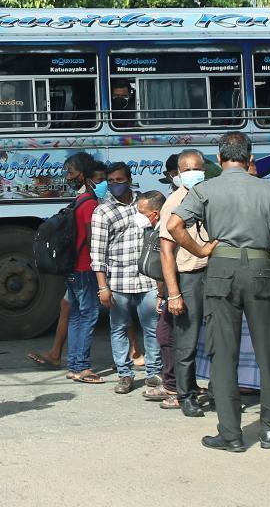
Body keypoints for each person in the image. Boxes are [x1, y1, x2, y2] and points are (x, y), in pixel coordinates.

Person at [168, 132, 270, 452]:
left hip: (221, 271)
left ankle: (231, 435)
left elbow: (172, 226)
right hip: (261, 269)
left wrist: (200, 249)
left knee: (223, 353)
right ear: (249, 157)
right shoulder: (269, 189)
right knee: (269, 351)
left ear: (220, 158)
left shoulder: (204, 189)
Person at [27, 162, 108, 370]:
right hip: (85, 267)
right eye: (100, 180)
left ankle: (73, 365)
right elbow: (92, 239)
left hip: (72, 268)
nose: (104, 184)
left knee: (75, 315)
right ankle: (81, 366)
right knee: (88, 316)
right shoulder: (91, 204)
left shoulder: (79, 200)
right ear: (88, 179)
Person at [91, 162, 162, 395]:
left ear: (129, 181)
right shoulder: (102, 211)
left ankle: (153, 373)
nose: (114, 185)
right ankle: (124, 374)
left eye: (119, 180)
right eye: (110, 181)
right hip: (118, 280)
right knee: (119, 328)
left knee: (152, 327)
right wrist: (103, 287)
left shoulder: (143, 204)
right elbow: (97, 252)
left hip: (147, 277)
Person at [159, 149, 211, 416]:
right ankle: (185, 394)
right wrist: (173, 293)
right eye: (188, 170)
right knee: (186, 340)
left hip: (212, 274)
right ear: (178, 174)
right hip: (188, 277)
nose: (193, 174)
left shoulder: (210, 195)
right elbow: (166, 252)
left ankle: (209, 389)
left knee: (214, 338)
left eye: (197, 168)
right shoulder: (174, 202)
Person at [136, 190, 172, 402]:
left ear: (155, 213)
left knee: (166, 336)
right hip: (168, 292)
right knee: (164, 335)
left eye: (142, 212)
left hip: (176, 292)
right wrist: (161, 294)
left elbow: (166, 266)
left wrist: (170, 295)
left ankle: (173, 384)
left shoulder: (166, 230)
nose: (139, 216)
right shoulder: (154, 230)